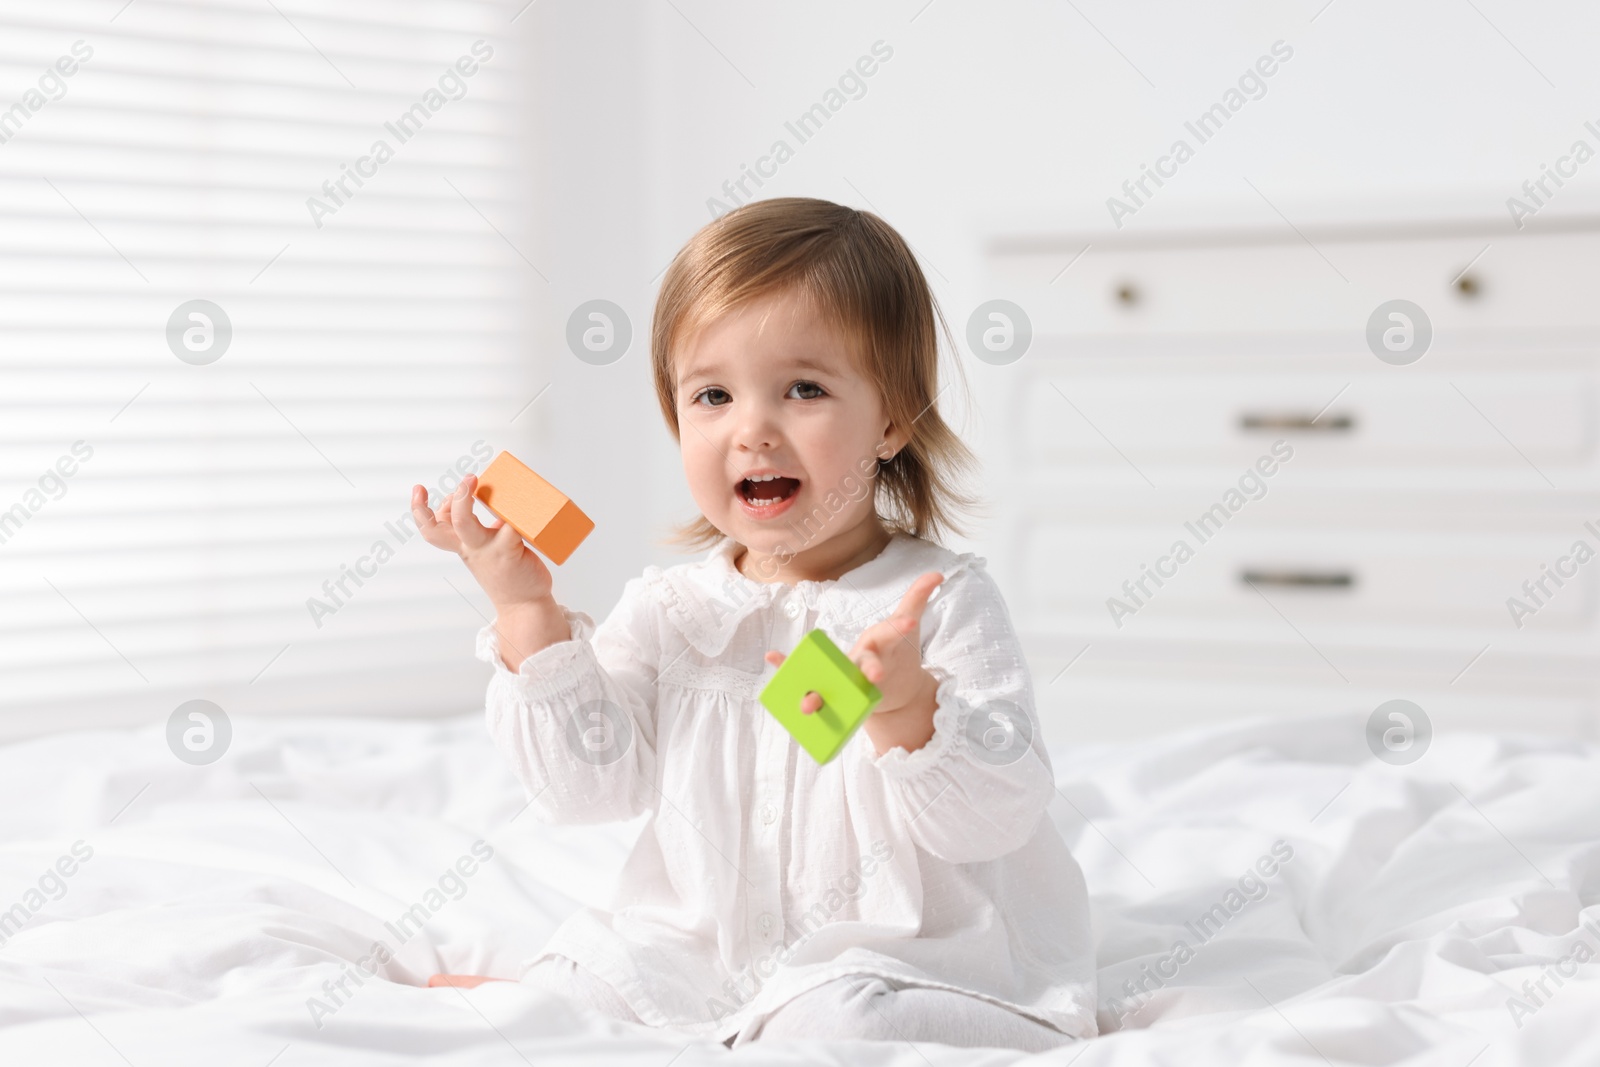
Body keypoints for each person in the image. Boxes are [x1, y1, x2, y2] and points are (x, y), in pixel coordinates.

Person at [410, 197, 1095, 1050]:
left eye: (803, 388)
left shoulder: (939, 600)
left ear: (893, 419)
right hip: (703, 952)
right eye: (712, 395)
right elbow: (586, 792)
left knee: (839, 1014)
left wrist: (906, 711)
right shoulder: (673, 612)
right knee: (581, 980)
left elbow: (995, 818)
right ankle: (572, 1006)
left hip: (899, 952)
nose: (752, 430)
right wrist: (525, 612)